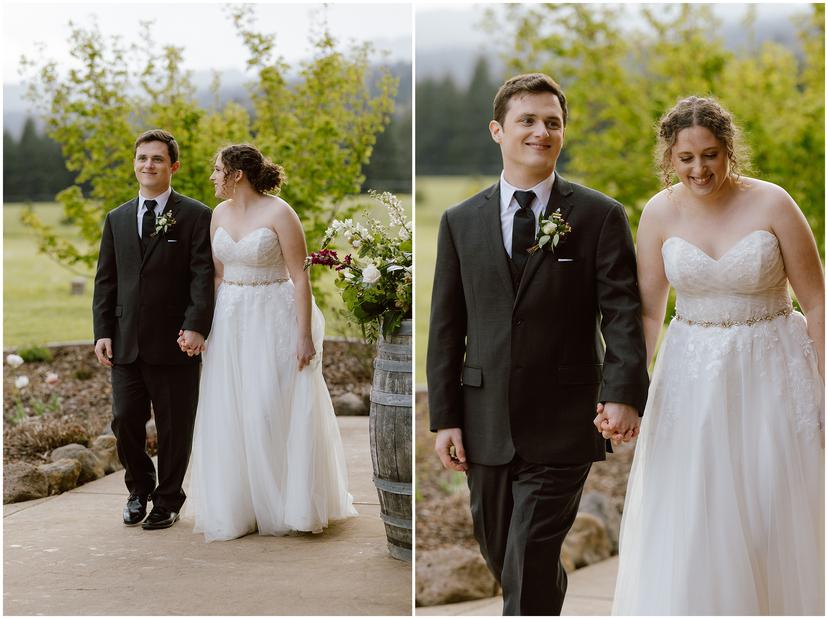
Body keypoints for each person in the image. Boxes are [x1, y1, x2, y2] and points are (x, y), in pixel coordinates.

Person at [426, 73, 649, 615]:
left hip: (565, 418)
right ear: (498, 130)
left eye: (553, 122)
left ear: (563, 134)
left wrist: (623, 392)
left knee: (527, 553)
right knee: (508, 555)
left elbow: (621, 314)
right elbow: (445, 325)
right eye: (527, 120)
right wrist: (445, 417)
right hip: (484, 420)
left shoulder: (599, 216)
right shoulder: (460, 222)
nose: (541, 131)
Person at [605, 96, 825, 615]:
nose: (699, 169)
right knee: (696, 508)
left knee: (773, 503)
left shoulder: (773, 203)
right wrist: (628, 393)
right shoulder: (658, 213)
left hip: (775, 365)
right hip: (691, 374)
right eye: (686, 158)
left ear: (728, 151)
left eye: (710, 155)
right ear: (669, 157)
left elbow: (817, 302)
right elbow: (649, 315)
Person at [186, 144, 357, 542]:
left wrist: (302, 335)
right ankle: (241, 506)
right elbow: (215, 276)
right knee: (233, 408)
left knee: (269, 406)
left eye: (216, 170)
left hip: (274, 317)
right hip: (230, 319)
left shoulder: (281, 212)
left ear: (237, 174)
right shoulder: (218, 215)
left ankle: (286, 502)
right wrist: (206, 327)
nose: (212, 177)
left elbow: (300, 277)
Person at [93, 129, 215, 530]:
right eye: (142, 157)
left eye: (157, 159)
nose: (149, 165)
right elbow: (106, 281)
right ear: (134, 163)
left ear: (173, 166)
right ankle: (138, 489)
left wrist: (196, 326)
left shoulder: (196, 215)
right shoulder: (116, 218)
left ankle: (169, 499)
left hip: (176, 343)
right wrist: (102, 331)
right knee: (124, 420)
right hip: (125, 342)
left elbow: (202, 276)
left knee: (174, 426)